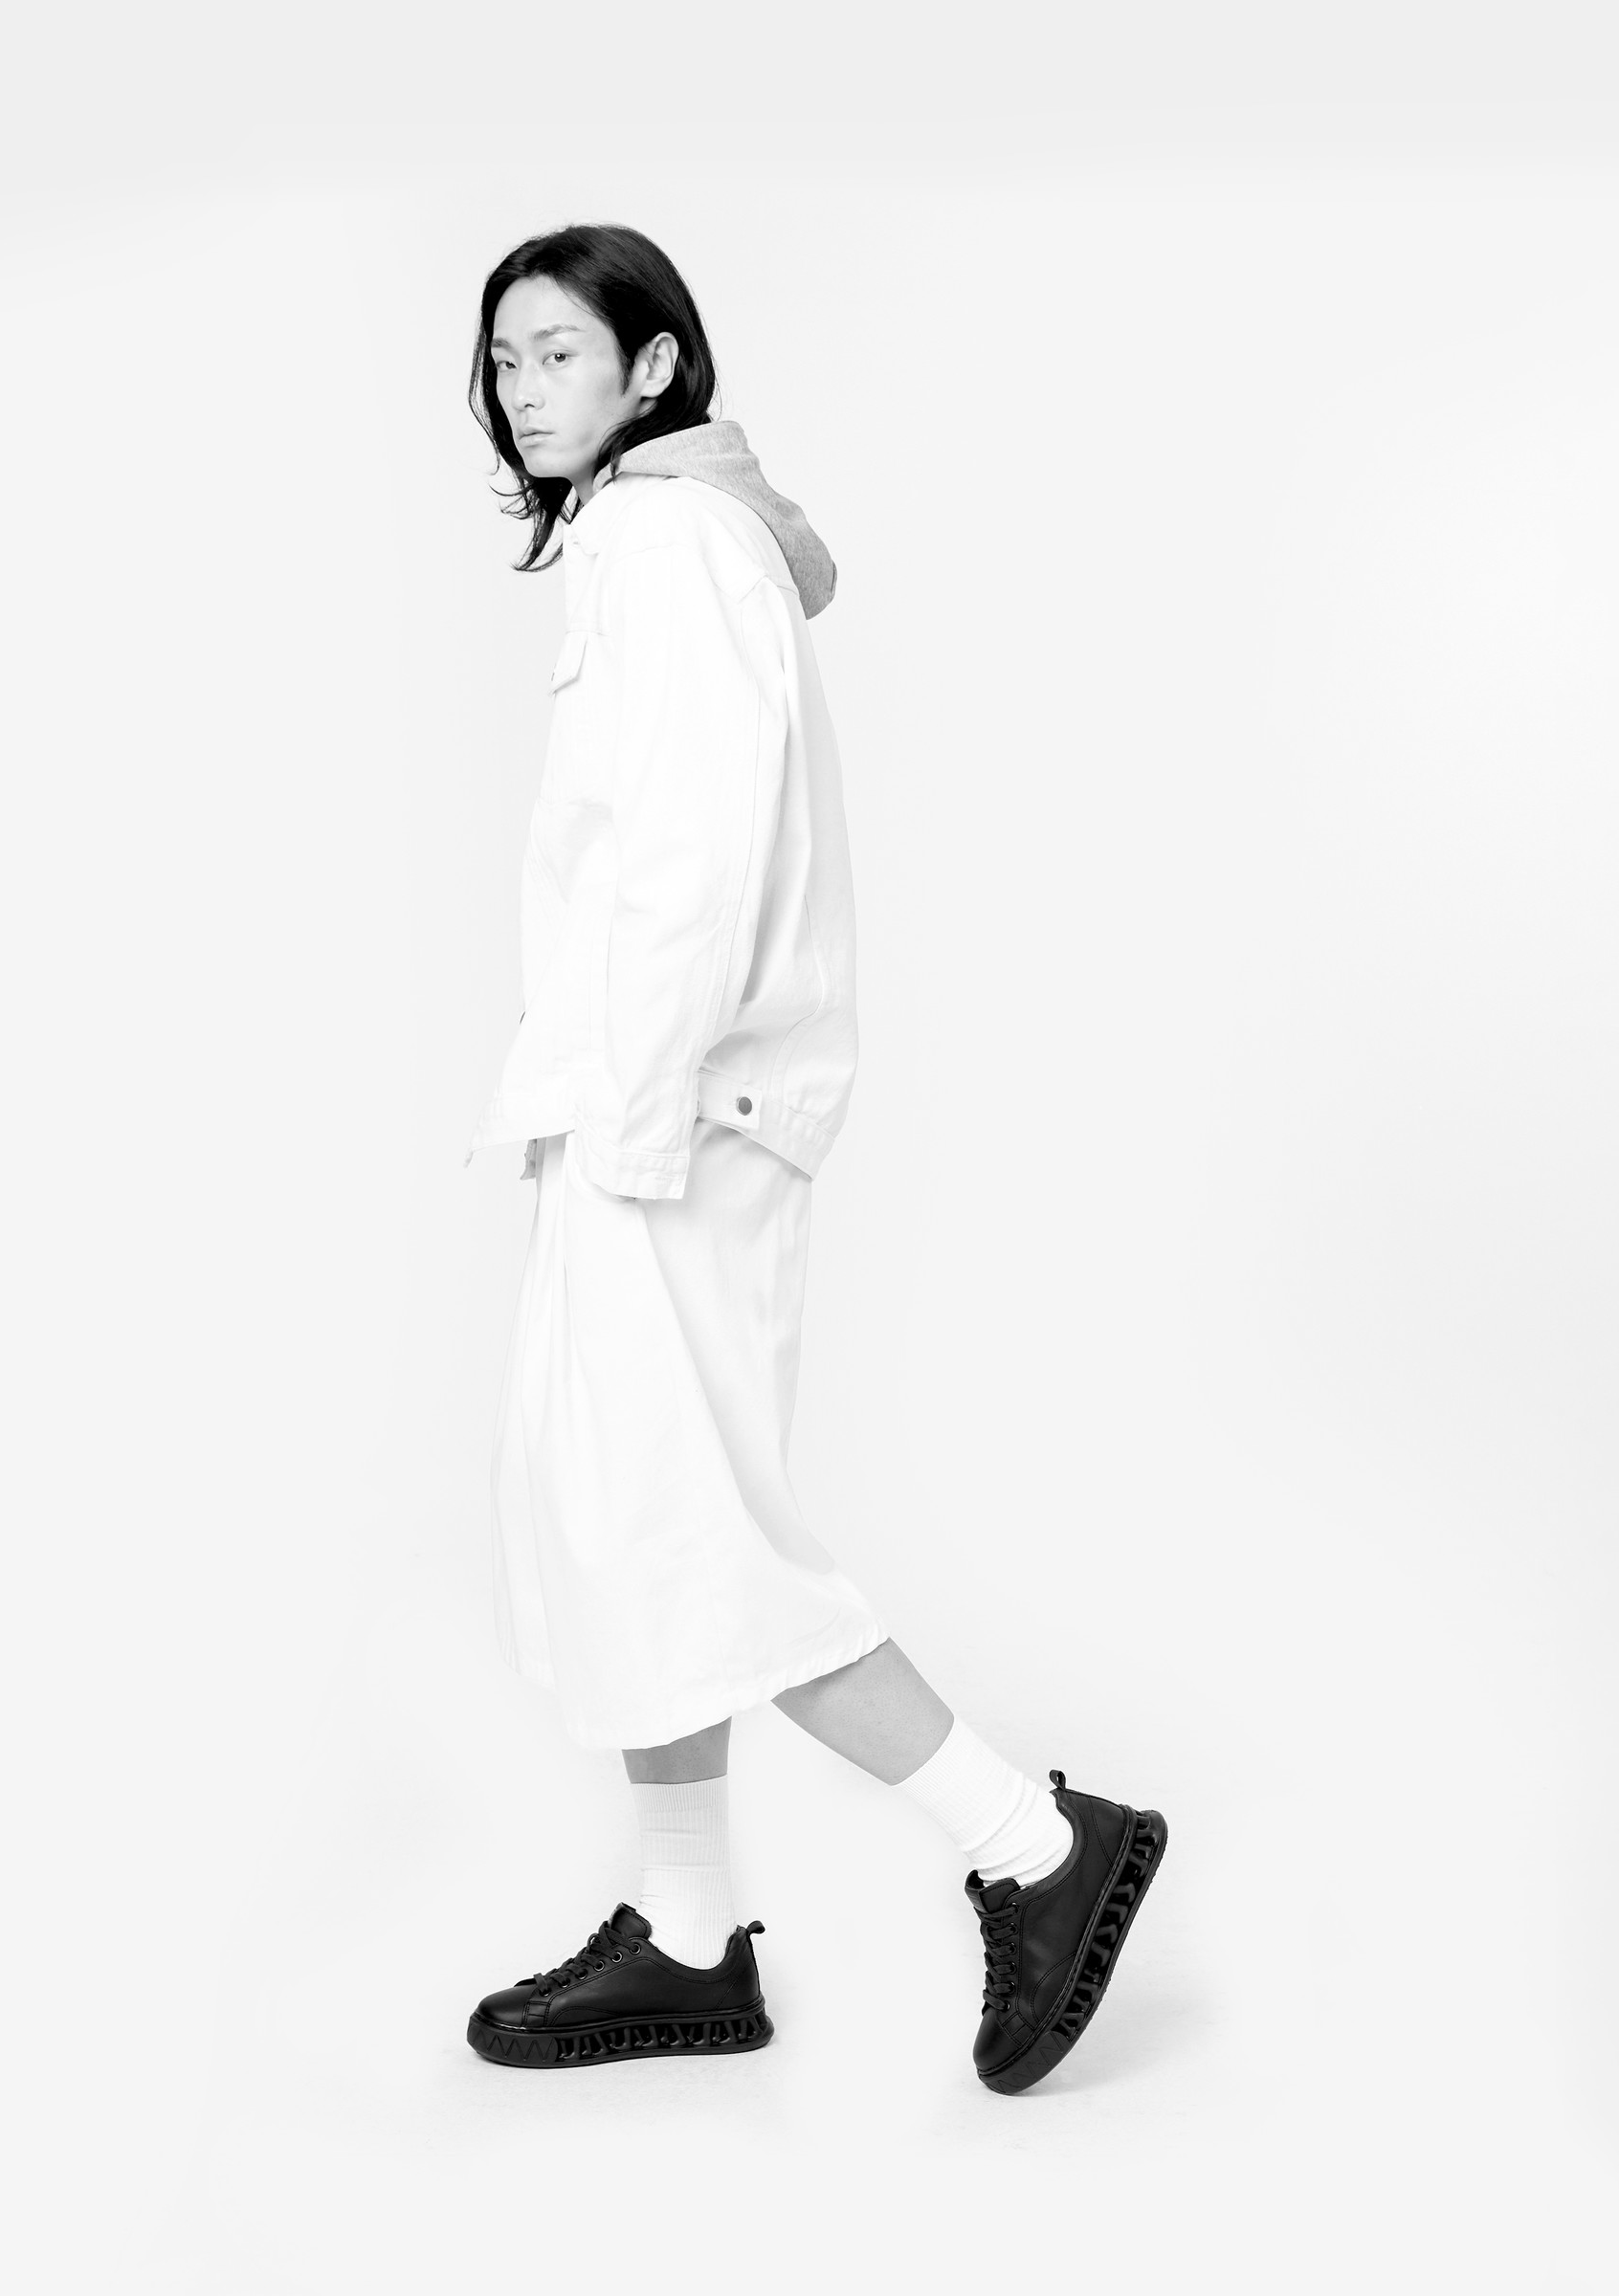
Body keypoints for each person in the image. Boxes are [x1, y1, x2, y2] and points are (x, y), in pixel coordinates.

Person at [458, 222, 1165, 2093]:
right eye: (505, 360)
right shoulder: (649, 539)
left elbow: (694, 858)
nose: (524, 390)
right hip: (654, 1111)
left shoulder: (669, 543)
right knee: (637, 1533)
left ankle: (1037, 1844)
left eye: (559, 353)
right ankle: (690, 1935)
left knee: (699, 1541)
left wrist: (626, 1116)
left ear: (654, 368)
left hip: (675, 1122)